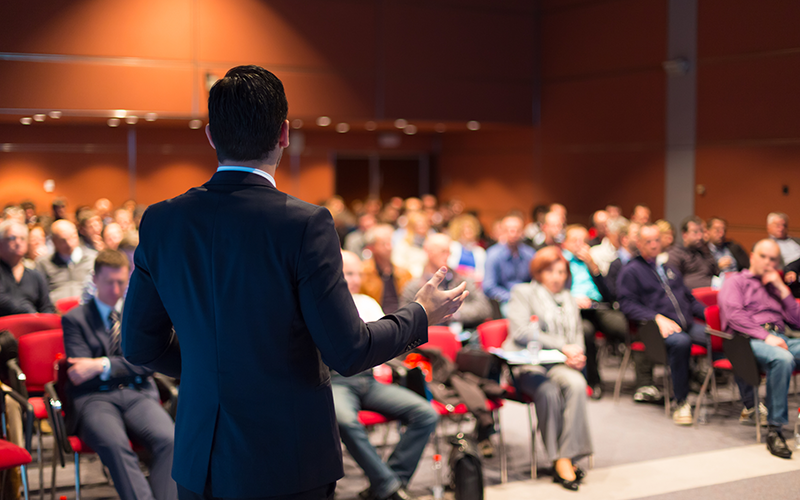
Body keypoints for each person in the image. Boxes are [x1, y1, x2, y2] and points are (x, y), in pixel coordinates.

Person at [121, 65, 467, 500]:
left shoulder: (162, 220)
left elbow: (138, 345)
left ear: (211, 135)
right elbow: (349, 350)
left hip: (200, 456)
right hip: (287, 457)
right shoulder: (304, 223)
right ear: (284, 133)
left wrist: (213, 371)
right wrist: (419, 314)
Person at [63, 249, 177, 500]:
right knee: (115, 446)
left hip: (137, 393)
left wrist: (101, 365)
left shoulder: (138, 314)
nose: (115, 290)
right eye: (109, 282)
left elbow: (147, 364)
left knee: (169, 440)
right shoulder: (74, 319)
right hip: (95, 398)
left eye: (121, 282)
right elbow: (79, 373)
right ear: (94, 279)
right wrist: (124, 365)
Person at [334, 251, 438, 500]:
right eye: (349, 273)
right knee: (346, 421)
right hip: (337, 381)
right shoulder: (323, 305)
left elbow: (385, 343)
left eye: (358, 273)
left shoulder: (367, 302)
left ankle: (388, 483)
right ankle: (389, 487)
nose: (356, 279)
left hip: (368, 379)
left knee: (426, 414)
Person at [505, 247, 593, 491]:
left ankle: (566, 456)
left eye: (561, 272)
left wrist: (577, 355)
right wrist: (564, 346)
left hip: (557, 364)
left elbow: (577, 337)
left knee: (576, 384)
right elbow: (521, 332)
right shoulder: (523, 292)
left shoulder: (569, 298)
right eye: (550, 271)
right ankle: (558, 459)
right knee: (548, 392)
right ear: (539, 272)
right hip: (526, 365)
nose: (556, 277)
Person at [617, 223, 708, 424]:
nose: (654, 245)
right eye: (648, 241)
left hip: (687, 323)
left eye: (657, 240)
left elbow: (688, 298)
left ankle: (748, 403)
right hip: (654, 329)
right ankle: (681, 401)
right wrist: (656, 318)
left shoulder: (669, 269)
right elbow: (627, 305)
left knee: (722, 337)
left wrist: (710, 315)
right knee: (681, 343)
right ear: (639, 243)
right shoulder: (631, 271)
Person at [718, 239, 800, 459]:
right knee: (782, 359)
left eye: (773, 259)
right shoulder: (735, 281)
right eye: (763, 257)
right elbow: (735, 316)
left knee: (783, 352)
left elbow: (797, 321)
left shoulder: (775, 285)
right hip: (747, 340)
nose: (768, 262)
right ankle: (775, 430)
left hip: (779, 336)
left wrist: (782, 288)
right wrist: (766, 336)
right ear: (753, 256)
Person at [560, 225, 628, 398]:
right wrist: (573, 300)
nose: (579, 245)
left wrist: (594, 267)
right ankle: (593, 381)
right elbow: (556, 292)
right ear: (565, 243)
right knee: (586, 332)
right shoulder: (561, 261)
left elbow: (609, 294)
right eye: (574, 240)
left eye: (583, 241)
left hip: (597, 307)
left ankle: (646, 381)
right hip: (573, 311)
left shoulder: (590, 261)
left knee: (623, 326)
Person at [401, 234, 492, 330]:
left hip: (465, 337)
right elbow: (407, 318)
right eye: (443, 251)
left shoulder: (462, 280)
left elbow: (484, 309)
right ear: (428, 251)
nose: (447, 256)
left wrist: (453, 312)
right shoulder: (414, 287)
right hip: (430, 340)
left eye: (449, 252)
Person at [0, 220, 54, 317]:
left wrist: (46, 320)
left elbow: (46, 307)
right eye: (12, 238)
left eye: (22, 238)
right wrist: (31, 314)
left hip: (34, 327)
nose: (18, 242)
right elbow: (2, 300)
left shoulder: (35, 275)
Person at [483, 214, 536, 310]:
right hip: (505, 300)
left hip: (528, 298)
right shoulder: (493, 254)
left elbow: (536, 280)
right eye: (509, 230)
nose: (513, 234)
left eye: (517, 230)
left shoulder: (530, 254)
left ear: (522, 232)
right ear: (503, 232)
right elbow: (489, 286)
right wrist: (511, 297)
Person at [36, 219, 97, 302]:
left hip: (86, 310)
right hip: (56, 310)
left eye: (72, 237)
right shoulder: (43, 263)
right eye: (63, 240)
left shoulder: (92, 258)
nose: (69, 243)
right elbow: (40, 295)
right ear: (54, 241)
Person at [361, 224, 414, 314]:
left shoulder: (404, 273)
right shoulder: (363, 273)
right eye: (383, 244)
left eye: (390, 242)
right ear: (372, 248)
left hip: (401, 318)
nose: (389, 247)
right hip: (376, 320)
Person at [667, 216, 718, 290]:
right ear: (684, 234)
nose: (700, 236)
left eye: (701, 232)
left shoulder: (705, 252)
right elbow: (674, 284)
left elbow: (716, 273)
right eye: (695, 232)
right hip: (690, 297)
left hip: (711, 293)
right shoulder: (675, 254)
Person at [447, 213, 487, 283]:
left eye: (470, 228)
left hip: (473, 285)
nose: (468, 231)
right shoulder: (452, 246)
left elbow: (482, 274)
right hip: (453, 283)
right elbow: (450, 267)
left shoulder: (479, 251)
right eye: (464, 229)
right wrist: (466, 272)